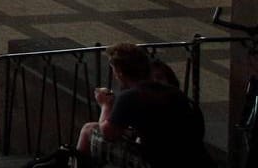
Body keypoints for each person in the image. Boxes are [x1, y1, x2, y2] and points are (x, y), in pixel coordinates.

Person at [76, 42, 207, 167]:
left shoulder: (130, 96)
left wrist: (106, 105)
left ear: (120, 73)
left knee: (88, 130)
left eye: (114, 71)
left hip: (158, 162)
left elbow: (108, 133)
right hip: (193, 159)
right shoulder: (174, 93)